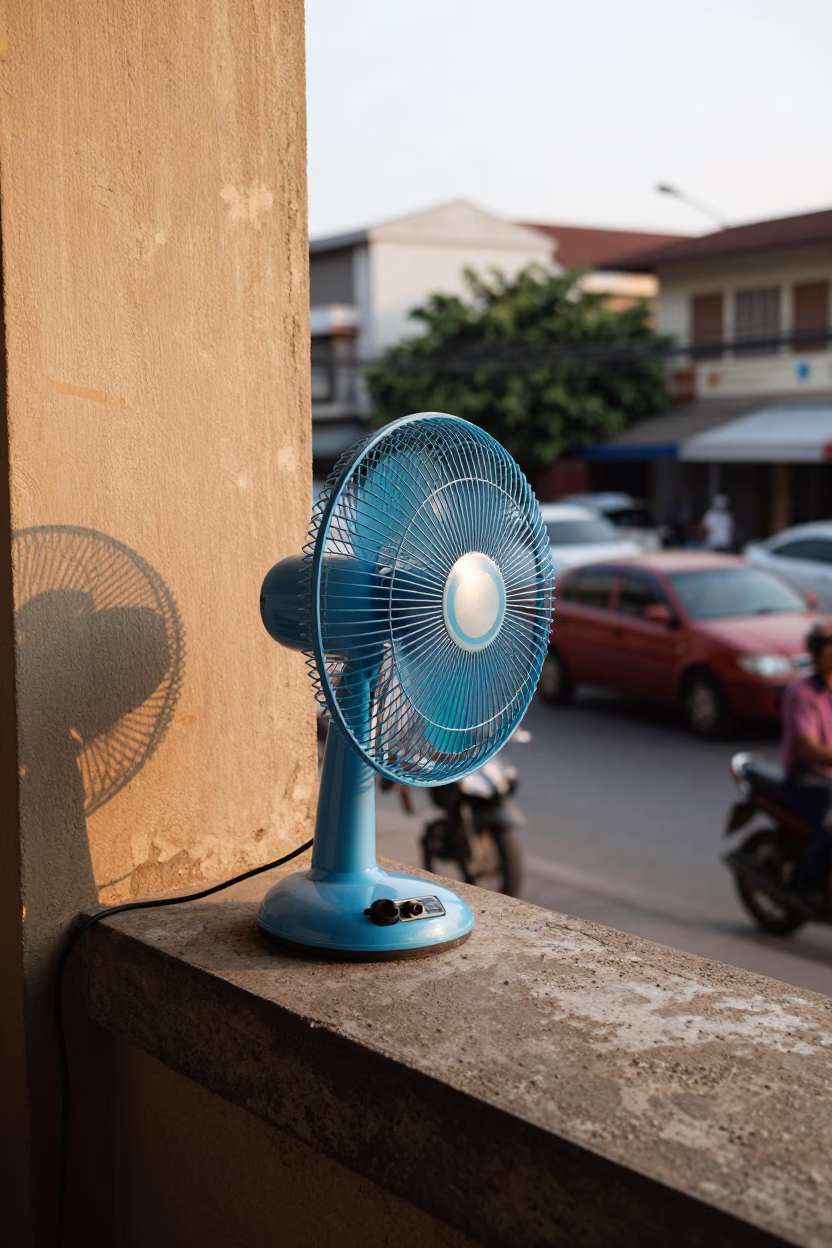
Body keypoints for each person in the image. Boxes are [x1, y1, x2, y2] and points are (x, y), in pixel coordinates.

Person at [782, 620, 832, 897]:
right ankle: (809, 881)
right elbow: (808, 749)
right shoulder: (802, 693)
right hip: (806, 778)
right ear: (816, 652)